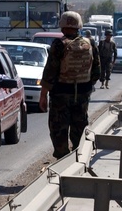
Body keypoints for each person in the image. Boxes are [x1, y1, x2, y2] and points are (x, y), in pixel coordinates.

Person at [39, 10, 100, 158]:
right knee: (79, 129)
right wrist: (85, 86)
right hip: (82, 96)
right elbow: (97, 71)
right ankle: (78, 160)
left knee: (58, 129)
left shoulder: (59, 44)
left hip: (60, 96)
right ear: (79, 26)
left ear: (62, 26)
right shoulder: (90, 43)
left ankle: (62, 160)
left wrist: (43, 96)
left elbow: (50, 72)